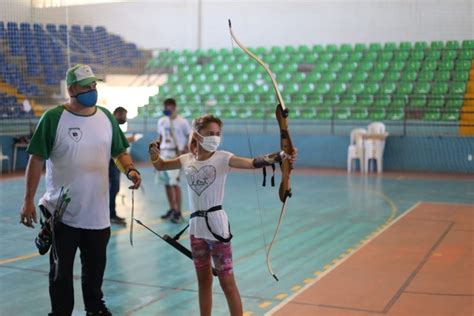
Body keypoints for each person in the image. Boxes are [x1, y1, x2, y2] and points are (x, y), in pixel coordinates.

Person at [19, 64, 141, 316]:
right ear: (72, 88)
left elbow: (119, 152)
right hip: (61, 212)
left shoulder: (106, 117)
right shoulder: (53, 118)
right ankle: (61, 312)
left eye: (94, 85)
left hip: (97, 215)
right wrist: (28, 200)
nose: (92, 90)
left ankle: (95, 308)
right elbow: (36, 160)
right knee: (61, 272)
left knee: (95, 270)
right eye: (87, 86)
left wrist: (130, 170)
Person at [148, 114, 296, 316]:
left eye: (218, 134)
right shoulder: (186, 160)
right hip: (196, 230)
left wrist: (280, 156)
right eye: (210, 134)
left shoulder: (223, 158)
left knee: (227, 283)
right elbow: (161, 165)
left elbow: (253, 162)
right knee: (203, 282)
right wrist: (154, 154)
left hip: (218, 229)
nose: (215, 137)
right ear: (198, 136)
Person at [156, 98, 191, 223]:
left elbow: (189, 137)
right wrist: (157, 151)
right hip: (164, 153)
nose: (167, 109)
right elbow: (160, 137)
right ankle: (172, 208)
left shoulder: (182, 122)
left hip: (175, 153)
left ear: (174, 107)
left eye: (170, 107)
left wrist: (185, 150)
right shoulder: (162, 121)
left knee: (174, 183)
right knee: (166, 182)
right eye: (166, 106)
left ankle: (178, 211)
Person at [109, 106, 136, 225]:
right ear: (117, 114)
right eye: (123, 116)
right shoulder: (111, 125)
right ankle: (111, 215)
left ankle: (111, 214)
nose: (124, 119)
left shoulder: (114, 126)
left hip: (113, 163)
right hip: (111, 162)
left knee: (113, 189)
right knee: (112, 188)